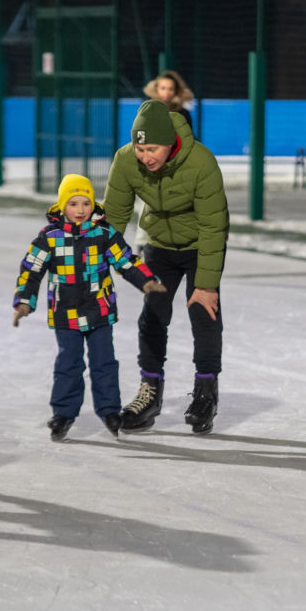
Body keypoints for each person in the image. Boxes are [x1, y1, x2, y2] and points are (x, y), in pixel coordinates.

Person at [102, 99, 228, 435]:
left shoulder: (201, 162)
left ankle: (206, 393)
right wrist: (97, 261)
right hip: (159, 244)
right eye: (140, 148)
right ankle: (150, 393)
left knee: (204, 313)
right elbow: (114, 215)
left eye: (152, 149)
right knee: (154, 315)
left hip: (200, 245)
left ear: (170, 142)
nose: (146, 157)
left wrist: (206, 285)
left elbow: (214, 226)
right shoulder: (125, 160)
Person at [12, 173, 166, 441]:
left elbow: (125, 260)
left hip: (99, 311)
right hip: (65, 313)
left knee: (104, 363)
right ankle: (63, 414)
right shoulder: (50, 237)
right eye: (73, 204)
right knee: (68, 364)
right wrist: (25, 301)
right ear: (62, 206)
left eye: (86, 203)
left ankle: (109, 411)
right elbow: (31, 269)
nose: (80, 210)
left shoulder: (103, 234)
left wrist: (146, 280)